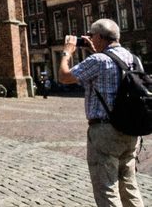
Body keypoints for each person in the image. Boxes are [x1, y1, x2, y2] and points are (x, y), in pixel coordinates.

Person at [59, 19, 145, 207]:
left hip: (105, 132)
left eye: (91, 35)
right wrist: (95, 51)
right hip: (131, 129)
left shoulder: (97, 61)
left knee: (107, 189)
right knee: (129, 185)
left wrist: (67, 52)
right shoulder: (134, 58)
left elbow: (64, 76)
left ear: (98, 36)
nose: (89, 38)